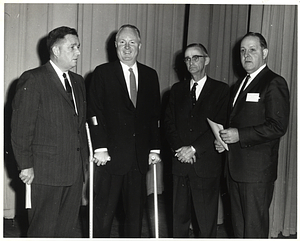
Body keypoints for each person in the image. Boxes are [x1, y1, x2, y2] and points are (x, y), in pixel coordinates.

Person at [11, 26, 88, 238]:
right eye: (72, 47)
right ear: (55, 50)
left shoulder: (79, 82)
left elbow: (79, 125)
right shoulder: (33, 79)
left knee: (65, 230)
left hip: (73, 172)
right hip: (45, 173)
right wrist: (25, 165)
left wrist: (84, 161)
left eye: (78, 47)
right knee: (42, 231)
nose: (78, 52)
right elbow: (21, 128)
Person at [87, 24, 161, 238]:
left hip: (138, 160)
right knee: (103, 217)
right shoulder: (102, 73)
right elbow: (94, 113)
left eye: (131, 43)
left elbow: (154, 116)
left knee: (134, 218)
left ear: (139, 45)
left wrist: (154, 148)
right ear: (115, 46)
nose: (127, 47)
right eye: (122, 42)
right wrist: (100, 146)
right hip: (109, 158)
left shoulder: (150, 75)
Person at [215, 32, 290, 238]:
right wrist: (225, 141)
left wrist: (240, 135)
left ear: (264, 53)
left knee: (254, 231)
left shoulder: (274, 82)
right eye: (242, 51)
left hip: (256, 173)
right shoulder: (238, 85)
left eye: (252, 50)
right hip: (235, 170)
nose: (246, 55)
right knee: (239, 230)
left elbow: (278, 126)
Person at [164, 43, 229, 237]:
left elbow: (221, 124)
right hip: (180, 163)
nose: (191, 62)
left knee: (205, 221)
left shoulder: (221, 90)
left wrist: (193, 148)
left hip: (205, 164)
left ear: (206, 60)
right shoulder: (176, 90)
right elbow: (168, 124)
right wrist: (180, 149)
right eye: (187, 58)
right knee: (178, 220)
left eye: (196, 57)